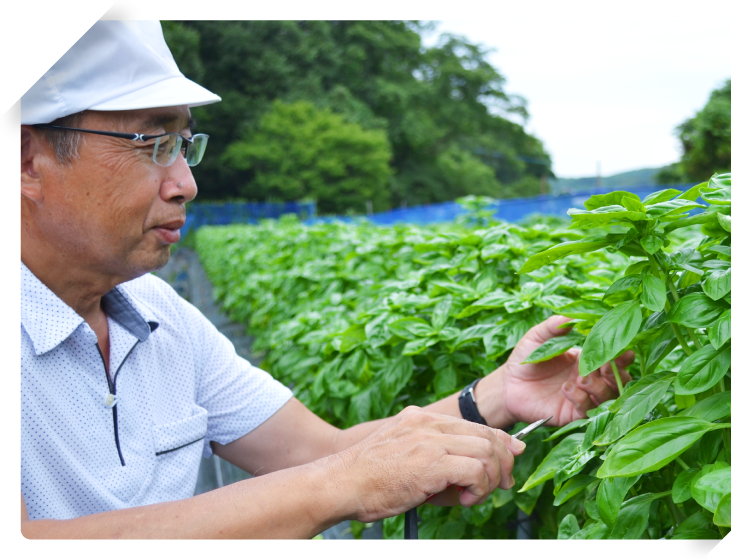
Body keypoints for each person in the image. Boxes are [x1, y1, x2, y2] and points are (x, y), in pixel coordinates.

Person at [20, 20, 632, 539]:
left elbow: (320, 452)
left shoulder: (159, 313)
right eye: (151, 143)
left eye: (185, 145)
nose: (185, 182)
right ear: (29, 161)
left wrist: (498, 396)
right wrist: (343, 485)